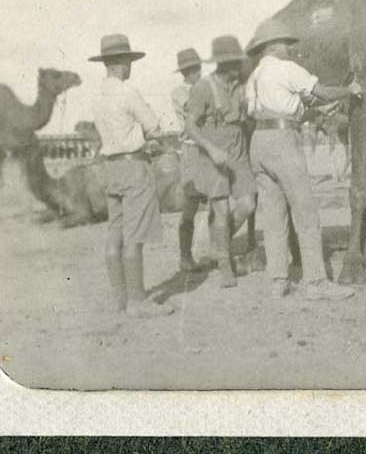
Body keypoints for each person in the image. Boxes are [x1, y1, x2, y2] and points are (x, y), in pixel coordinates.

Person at [244, 19, 362, 301]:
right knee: (306, 211)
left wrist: (312, 112)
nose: (290, 48)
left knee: (273, 215)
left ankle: (278, 281)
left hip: (260, 142)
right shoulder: (287, 68)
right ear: (274, 46)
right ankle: (316, 283)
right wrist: (350, 90)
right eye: (286, 43)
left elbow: (272, 111)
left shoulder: (255, 76)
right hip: (284, 143)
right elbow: (320, 91)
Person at [89, 33, 174, 318]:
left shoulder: (97, 96)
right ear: (124, 63)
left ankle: (120, 299)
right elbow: (154, 127)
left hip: (110, 167)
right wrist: (151, 139)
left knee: (115, 231)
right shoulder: (127, 92)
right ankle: (139, 301)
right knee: (135, 235)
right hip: (133, 167)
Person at [185, 35, 257, 289]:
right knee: (222, 211)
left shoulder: (239, 87)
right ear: (222, 64)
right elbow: (190, 126)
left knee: (248, 204)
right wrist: (212, 149)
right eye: (234, 63)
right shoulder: (204, 87)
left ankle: (218, 246)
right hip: (213, 155)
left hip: (238, 151)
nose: (239, 68)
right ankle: (224, 265)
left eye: (239, 63)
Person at [170, 47, 205, 273]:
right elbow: (195, 109)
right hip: (193, 150)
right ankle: (185, 256)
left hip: (210, 149)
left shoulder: (205, 87)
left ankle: (219, 251)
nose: (195, 73)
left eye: (196, 68)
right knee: (191, 205)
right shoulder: (180, 92)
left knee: (220, 203)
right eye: (190, 69)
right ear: (183, 71)